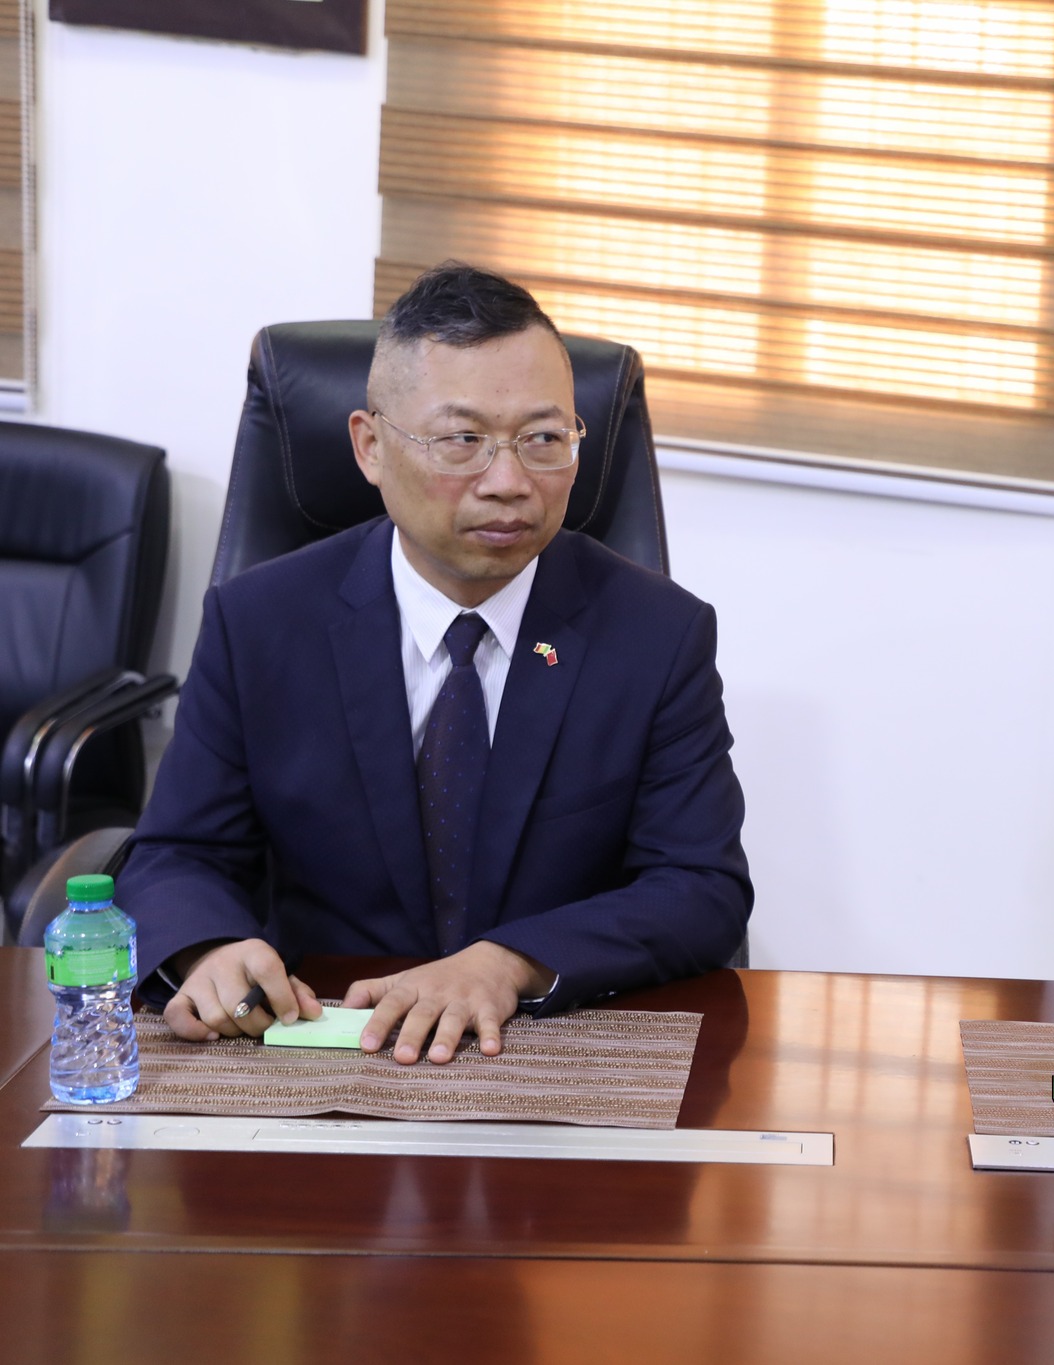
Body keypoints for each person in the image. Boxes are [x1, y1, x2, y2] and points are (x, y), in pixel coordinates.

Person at [122, 264, 751, 1065]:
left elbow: (701, 886)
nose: (509, 481)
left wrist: (509, 962)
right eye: (463, 440)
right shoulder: (259, 623)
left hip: (545, 1050)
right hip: (322, 1043)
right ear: (370, 445)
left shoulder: (657, 635)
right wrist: (206, 950)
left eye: (544, 439)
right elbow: (178, 852)